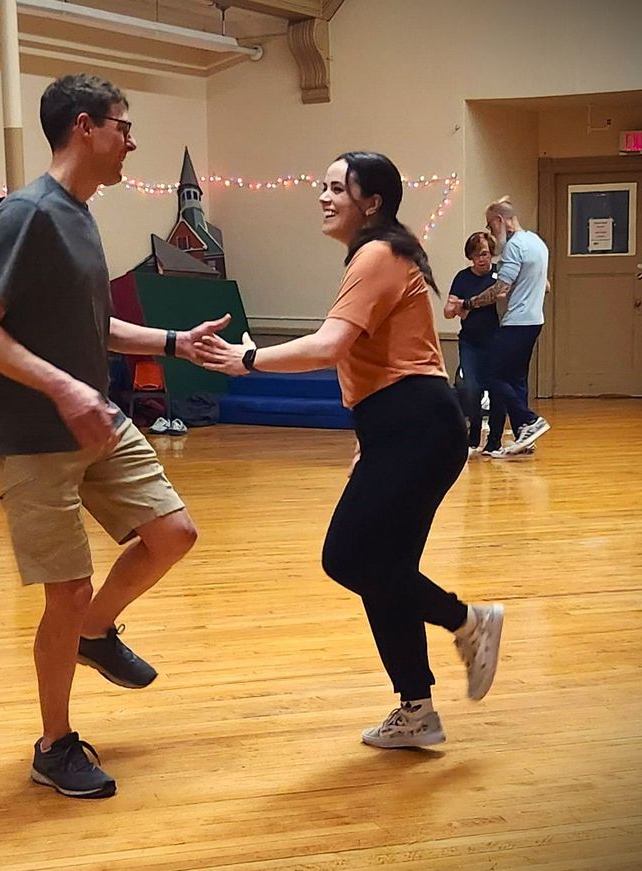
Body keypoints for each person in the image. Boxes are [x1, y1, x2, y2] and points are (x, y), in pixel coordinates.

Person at [0, 74, 229, 799]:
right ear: (85, 127)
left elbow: (91, 323)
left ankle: (95, 632)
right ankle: (54, 744)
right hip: (33, 433)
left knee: (173, 532)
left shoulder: (81, 213)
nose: (131, 140)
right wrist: (63, 385)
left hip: (94, 421)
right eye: (123, 126)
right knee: (67, 589)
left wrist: (174, 340)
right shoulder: (26, 214)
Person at [194, 152, 504, 749]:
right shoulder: (386, 252)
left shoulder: (378, 253)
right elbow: (390, 356)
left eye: (339, 187)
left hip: (417, 423)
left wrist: (248, 360)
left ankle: (468, 621)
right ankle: (416, 708)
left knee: (348, 558)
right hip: (407, 424)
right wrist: (371, 438)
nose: (325, 197)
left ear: (373, 202)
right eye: (325, 186)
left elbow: (332, 345)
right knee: (386, 570)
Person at [460, 197, 551, 457]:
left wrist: (470, 302)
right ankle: (526, 434)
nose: (491, 233)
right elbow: (546, 285)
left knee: (490, 375)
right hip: (535, 320)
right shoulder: (537, 243)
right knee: (516, 379)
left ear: (501, 221)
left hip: (518, 322)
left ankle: (529, 420)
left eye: (491, 226)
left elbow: (501, 289)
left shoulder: (516, 246)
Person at [444, 231, 502, 457]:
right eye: (477, 255)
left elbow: (502, 296)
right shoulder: (462, 278)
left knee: (498, 390)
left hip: (497, 342)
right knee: (470, 388)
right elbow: (449, 311)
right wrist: (460, 307)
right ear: (470, 256)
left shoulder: (499, 274)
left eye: (486, 254)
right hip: (470, 342)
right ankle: (474, 432)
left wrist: (468, 305)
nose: (482, 259)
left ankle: (494, 440)